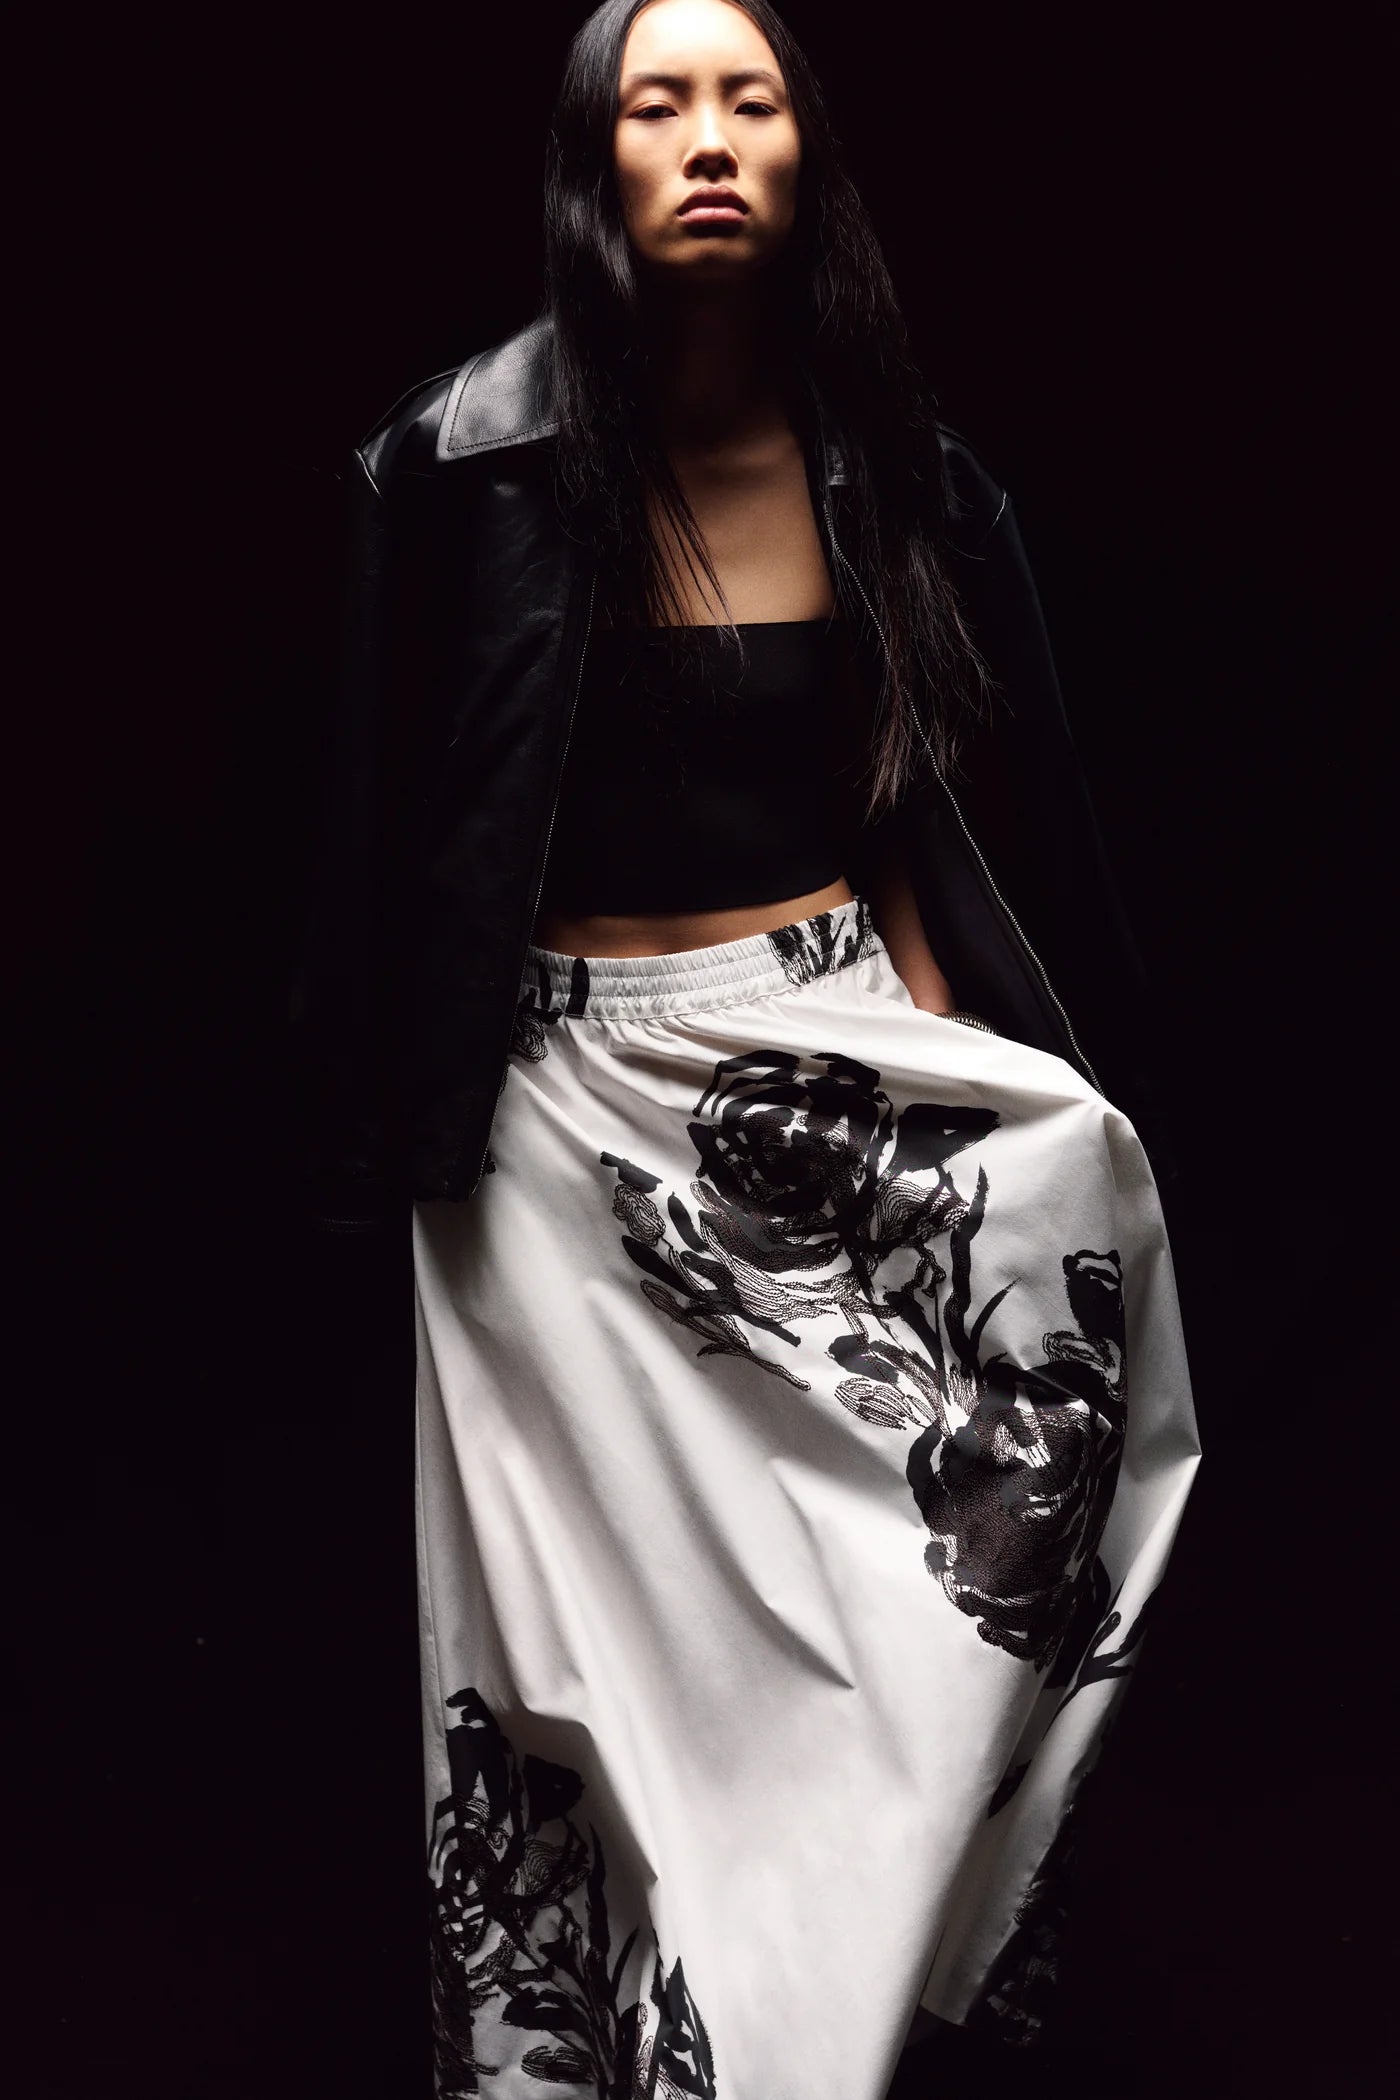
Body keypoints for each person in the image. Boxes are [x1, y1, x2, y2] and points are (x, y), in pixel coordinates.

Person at [291, 3, 1202, 2094]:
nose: (707, 138)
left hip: (812, 1068)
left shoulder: (900, 471)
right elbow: (376, 836)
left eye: (751, 99)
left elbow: (914, 800)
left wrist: (946, 1040)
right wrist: (381, 1128)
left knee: (947, 1571)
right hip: (546, 1124)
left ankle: (830, 2030)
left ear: (806, 159)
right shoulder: (451, 469)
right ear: (590, 161)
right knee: (587, 1674)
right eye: (658, 102)